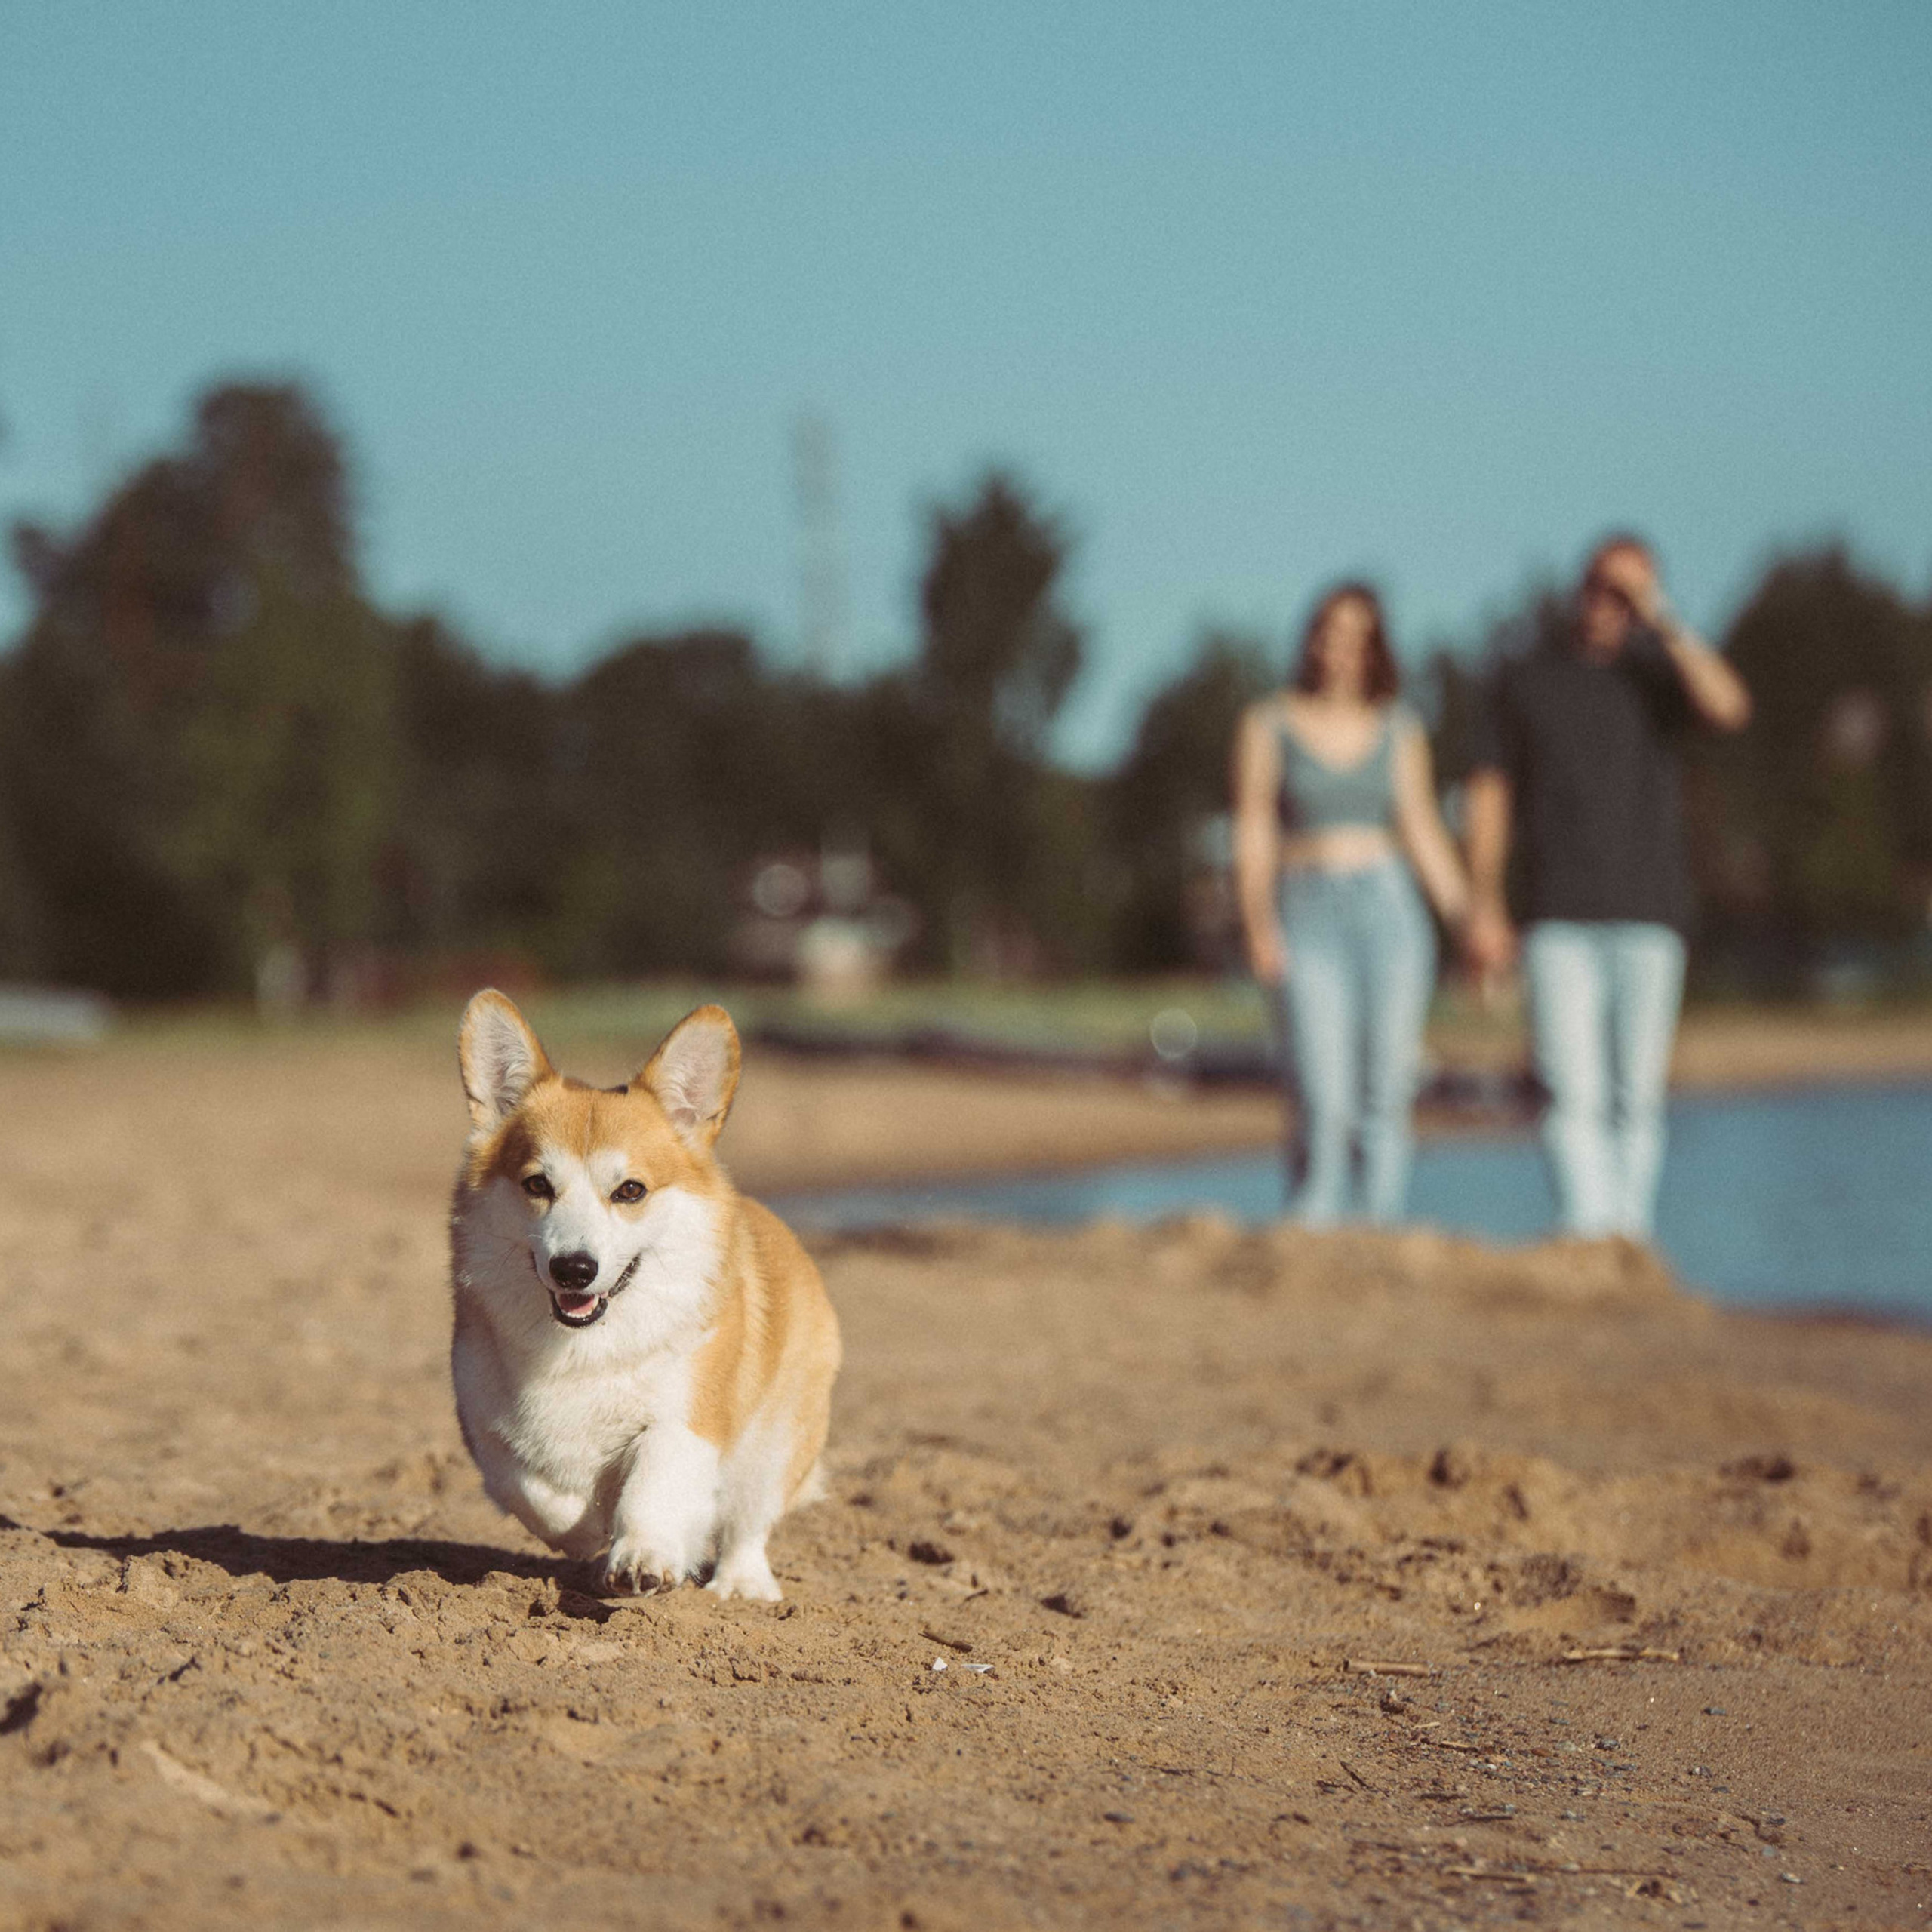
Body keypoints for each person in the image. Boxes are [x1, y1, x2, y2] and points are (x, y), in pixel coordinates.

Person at [1463, 536, 1752, 1238]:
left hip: (1651, 912)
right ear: (1577, 588)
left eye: (1626, 593)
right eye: (1599, 585)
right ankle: (1586, 1234)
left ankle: (1630, 1236)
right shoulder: (1526, 678)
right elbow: (1489, 793)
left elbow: (1730, 707)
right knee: (1569, 1089)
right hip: (1556, 912)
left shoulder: (1659, 678)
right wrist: (1484, 903)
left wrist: (1662, 617)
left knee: (1638, 1095)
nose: (1607, 604)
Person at [1232, 583, 1472, 1225]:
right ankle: (1314, 1215)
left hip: (1389, 908)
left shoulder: (1399, 726)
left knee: (1386, 1088)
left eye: (1357, 636)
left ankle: (1378, 1223)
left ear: (1374, 648)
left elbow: (1421, 827)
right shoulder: (1268, 722)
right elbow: (1254, 827)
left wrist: (1466, 917)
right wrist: (1257, 922)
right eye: (1330, 632)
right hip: (1305, 907)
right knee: (1319, 1084)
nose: (1341, 649)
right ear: (1312, 638)